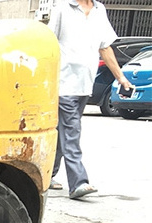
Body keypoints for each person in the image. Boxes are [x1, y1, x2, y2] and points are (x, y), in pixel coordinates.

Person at [48, 0, 131, 200]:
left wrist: (121, 77)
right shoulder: (62, 8)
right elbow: (49, 43)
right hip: (63, 82)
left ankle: (47, 174)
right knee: (72, 131)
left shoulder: (99, 10)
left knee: (64, 132)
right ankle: (79, 183)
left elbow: (105, 47)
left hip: (85, 83)